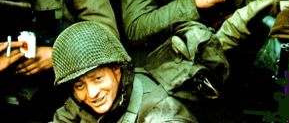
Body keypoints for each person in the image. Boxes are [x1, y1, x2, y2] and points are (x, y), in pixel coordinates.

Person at [52, 21, 198, 122]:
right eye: (79, 85)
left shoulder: (161, 115)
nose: (91, 93)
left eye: (97, 79)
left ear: (116, 69)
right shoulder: (82, 101)